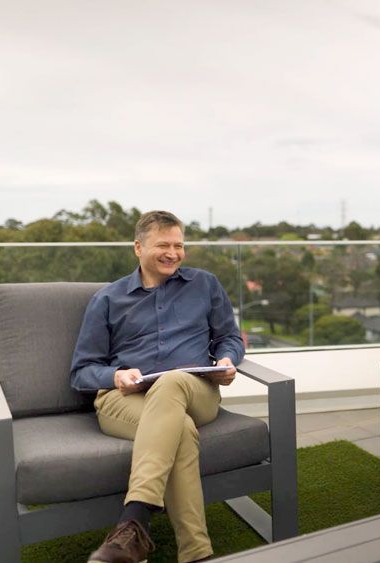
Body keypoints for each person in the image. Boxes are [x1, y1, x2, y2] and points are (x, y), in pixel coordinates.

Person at [71, 211, 244, 563]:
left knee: (174, 381)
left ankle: (134, 519)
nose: (173, 253)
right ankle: (197, 553)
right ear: (138, 248)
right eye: (163, 244)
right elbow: (81, 371)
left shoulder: (205, 284)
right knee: (177, 428)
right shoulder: (107, 299)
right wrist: (114, 376)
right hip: (126, 399)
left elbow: (229, 337)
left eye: (179, 245)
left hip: (196, 391)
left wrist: (227, 360)